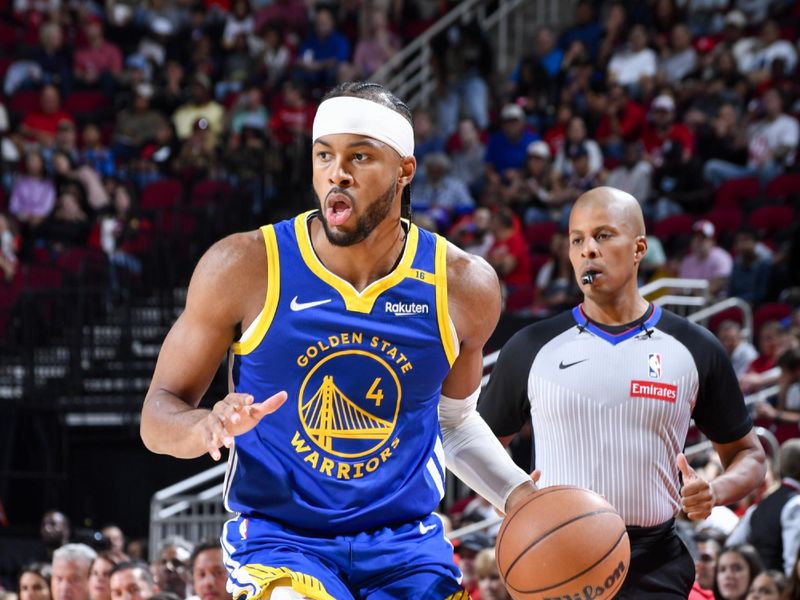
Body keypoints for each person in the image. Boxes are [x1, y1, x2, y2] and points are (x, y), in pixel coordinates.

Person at [140, 80, 535, 600]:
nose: (337, 173)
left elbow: (454, 423)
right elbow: (156, 415)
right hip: (282, 543)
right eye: (324, 155)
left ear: (405, 171)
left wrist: (522, 496)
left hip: (406, 547)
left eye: (360, 156)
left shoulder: (463, 285)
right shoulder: (245, 265)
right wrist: (206, 426)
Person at [478, 186, 767, 598]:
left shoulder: (694, 347)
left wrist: (715, 490)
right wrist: (508, 492)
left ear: (639, 248)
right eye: (577, 239)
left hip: (656, 564)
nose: (587, 250)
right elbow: (478, 446)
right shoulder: (530, 346)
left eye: (603, 235)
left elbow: (749, 453)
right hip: (557, 559)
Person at [727, 439, 800, 575]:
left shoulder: (757, 508)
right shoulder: (796, 505)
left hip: (758, 589)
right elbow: (792, 562)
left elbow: (732, 546)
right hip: (781, 590)